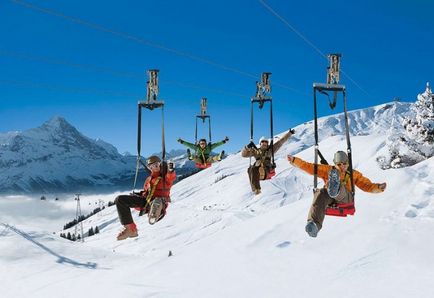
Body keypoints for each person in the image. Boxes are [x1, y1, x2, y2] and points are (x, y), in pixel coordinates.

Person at [287, 151, 387, 237]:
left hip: (346, 198)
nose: (342, 166)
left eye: (344, 163)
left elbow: (366, 185)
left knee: (339, 185)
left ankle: (335, 186)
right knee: (321, 192)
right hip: (331, 199)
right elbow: (310, 167)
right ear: (335, 164)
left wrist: (378, 188)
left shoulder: (353, 174)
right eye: (339, 164)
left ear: (348, 163)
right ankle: (314, 225)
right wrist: (294, 160)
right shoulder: (329, 170)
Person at [114, 155, 176, 240]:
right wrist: (137, 196)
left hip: (160, 202)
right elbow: (146, 192)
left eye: (156, 165)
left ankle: (155, 213)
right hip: (147, 202)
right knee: (120, 200)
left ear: (160, 164)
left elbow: (170, 177)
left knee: (156, 201)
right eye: (151, 166)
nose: (154, 168)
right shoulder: (148, 179)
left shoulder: (165, 177)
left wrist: (170, 170)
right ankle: (131, 229)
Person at [241, 129, 295, 195]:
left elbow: (281, 141)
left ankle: (257, 186)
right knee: (251, 169)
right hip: (257, 171)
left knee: (258, 166)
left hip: (267, 169)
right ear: (260, 143)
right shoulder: (255, 151)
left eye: (266, 142)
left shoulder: (271, 150)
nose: (264, 143)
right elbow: (244, 155)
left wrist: (290, 133)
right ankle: (256, 189)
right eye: (263, 142)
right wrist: (247, 147)